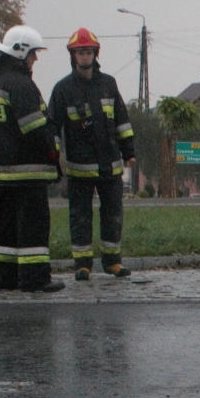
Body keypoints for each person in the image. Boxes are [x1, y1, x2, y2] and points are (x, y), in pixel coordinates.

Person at [48, 27, 136, 280]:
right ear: (73, 56)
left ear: (95, 54)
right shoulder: (63, 89)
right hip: (79, 166)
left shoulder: (109, 84)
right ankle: (83, 264)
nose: (85, 57)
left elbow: (122, 120)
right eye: (80, 53)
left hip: (110, 163)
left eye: (88, 52)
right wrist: (53, 156)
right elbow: (53, 125)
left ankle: (112, 262)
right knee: (80, 216)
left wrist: (128, 151)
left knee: (112, 213)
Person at [0, 25, 62, 293]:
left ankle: (3, 278)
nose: (35, 60)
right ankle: (35, 278)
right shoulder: (20, 84)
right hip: (29, 170)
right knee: (33, 227)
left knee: (5, 227)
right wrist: (52, 151)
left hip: (4, 171)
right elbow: (35, 127)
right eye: (33, 54)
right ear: (20, 52)